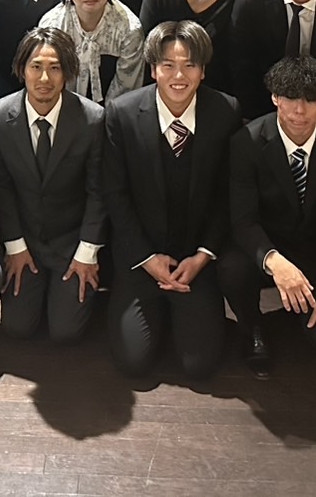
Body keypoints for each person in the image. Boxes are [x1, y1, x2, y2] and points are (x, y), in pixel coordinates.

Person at [102, 21, 240, 381]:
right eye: (168, 65)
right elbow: (115, 195)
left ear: (203, 70)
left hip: (195, 259)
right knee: (133, 363)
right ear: (153, 70)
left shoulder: (225, 111)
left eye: (189, 65)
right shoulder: (121, 113)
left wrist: (203, 256)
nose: (179, 76)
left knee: (200, 366)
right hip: (141, 259)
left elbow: (227, 194)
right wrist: (146, 259)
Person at [221, 55, 316, 378]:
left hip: (312, 247)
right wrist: (273, 260)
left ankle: (294, 311)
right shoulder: (246, 142)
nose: (299, 111)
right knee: (231, 266)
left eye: (311, 100)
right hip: (265, 244)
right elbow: (243, 220)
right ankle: (252, 329)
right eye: (290, 98)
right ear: (275, 98)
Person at [0, 28, 106, 343]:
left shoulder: (92, 119)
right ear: (22, 69)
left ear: (67, 73)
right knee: (17, 328)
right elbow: (0, 188)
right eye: (35, 66)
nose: (44, 78)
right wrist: (14, 246)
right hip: (26, 239)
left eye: (55, 68)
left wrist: (87, 253)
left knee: (66, 332)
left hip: (71, 241)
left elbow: (98, 192)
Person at [38, 0, 144, 104]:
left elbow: (126, 88)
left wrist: (104, 116)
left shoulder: (129, 28)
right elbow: (48, 81)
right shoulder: (52, 26)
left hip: (113, 110)